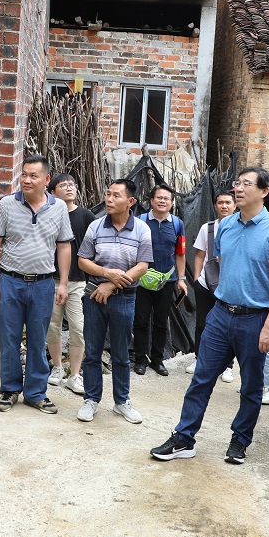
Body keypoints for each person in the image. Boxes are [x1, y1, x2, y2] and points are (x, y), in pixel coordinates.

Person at [151, 167, 269, 465]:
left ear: (264, 191)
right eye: (237, 183)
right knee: (201, 378)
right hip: (220, 314)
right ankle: (184, 438)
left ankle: (240, 440)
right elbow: (220, 264)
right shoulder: (225, 226)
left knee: (251, 386)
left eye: (246, 184)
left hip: (255, 319)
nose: (238, 189)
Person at [0, 155, 72, 414]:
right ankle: (10, 389)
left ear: (46, 179)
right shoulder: (7, 204)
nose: (26, 180)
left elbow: (64, 246)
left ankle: (35, 393)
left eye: (33, 176)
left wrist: (63, 283)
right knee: (9, 339)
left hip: (43, 284)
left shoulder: (58, 207)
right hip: (10, 282)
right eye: (24, 174)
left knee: (37, 340)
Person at [75, 179, 154, 424]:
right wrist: (106, 274)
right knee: (92, 351)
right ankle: (91, 399)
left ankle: (122, 401)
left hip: (124, 298)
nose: (109, 199)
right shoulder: (96, 226)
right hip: (94, 296)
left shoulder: (142, 229)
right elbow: (82, 261)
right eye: (108, 194)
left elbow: (142, 266)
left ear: (130, 201)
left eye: (116, 195)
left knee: (121, 352)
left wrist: (112, 284)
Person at [46, 173, 93, 394]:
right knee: (52, 326)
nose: (69, 188)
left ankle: (75, 374)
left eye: (71, 184)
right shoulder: (49, 214)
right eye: (63, 185)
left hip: (77, 282)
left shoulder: (86, 216)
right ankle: (57, 367)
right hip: (52, 280)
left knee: (78, 328)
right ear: (52, 192)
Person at [133, 185, 187, 376]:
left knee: (161, 322)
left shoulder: (177, 224)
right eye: (159, 198)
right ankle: (140, 359)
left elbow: (180, 253)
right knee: (140, 321)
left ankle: (157, 360)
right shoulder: (140, 221)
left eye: (166, 198)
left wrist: (181, 279)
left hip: (167, 280)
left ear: (172, 203)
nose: (162, 201)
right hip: (142, 280)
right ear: (151, 201)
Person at [189, 190, 236, 385]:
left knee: (228, 326)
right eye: (220, 202)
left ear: (235, 206)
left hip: (230, 286)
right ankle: (199, 358)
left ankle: (227, 366)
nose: (224, 206)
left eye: (228, 202)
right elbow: (199, 255)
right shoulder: (207, 228)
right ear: (215, 206)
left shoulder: (239, 228)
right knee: (202, 323)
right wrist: (196, 279)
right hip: (205, 283)